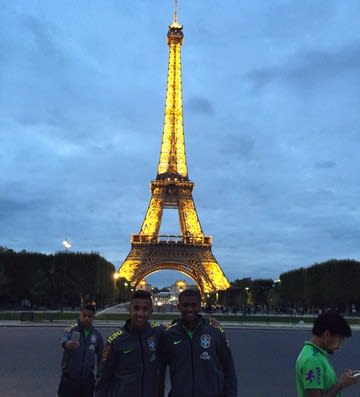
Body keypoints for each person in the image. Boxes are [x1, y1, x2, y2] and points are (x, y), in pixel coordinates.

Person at [159, 288, 238, 397]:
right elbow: (159, 372)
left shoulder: (215, 332)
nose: (189, 309)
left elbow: (228, 369)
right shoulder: (168, 335)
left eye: (193, 305)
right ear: (179, 307)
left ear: (200, 306)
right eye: (185, 305)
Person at [95, 290, 165, 397]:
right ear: (129, 310)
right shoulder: (115, 340)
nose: (140, 313)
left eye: (145, 309)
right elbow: (103, 378)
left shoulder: (159, 332)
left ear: (151, 311)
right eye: (136, 308)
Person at [296, 310, 357, 397]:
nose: (339, 346)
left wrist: (344, 380)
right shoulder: (313, 360)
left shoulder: (312, 352)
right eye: (339, 340)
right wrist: (340, 385)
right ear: (327, 334)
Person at [58, 301, 104, 397]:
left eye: (89, 316)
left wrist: (100, 374)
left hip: (87, 380)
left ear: (93, 317)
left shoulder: (96, 335)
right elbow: (63, 338)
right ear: (80, 314)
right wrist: (67, 344)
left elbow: (101, 356)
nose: (86, 318)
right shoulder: (72, 328)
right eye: (84, 315)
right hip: (69, 379)